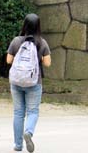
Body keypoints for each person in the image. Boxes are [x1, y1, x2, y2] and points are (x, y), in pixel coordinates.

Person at [7, 13, 52, 152]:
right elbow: (48, 63)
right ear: (38, 26)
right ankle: (29, 132)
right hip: (34, 82)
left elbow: (8, 60)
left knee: (18, 112)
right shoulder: (41, 42)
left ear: (24, 25)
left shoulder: (16, 41)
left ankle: (18, 144)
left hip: (16, 82)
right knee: (32, 111)